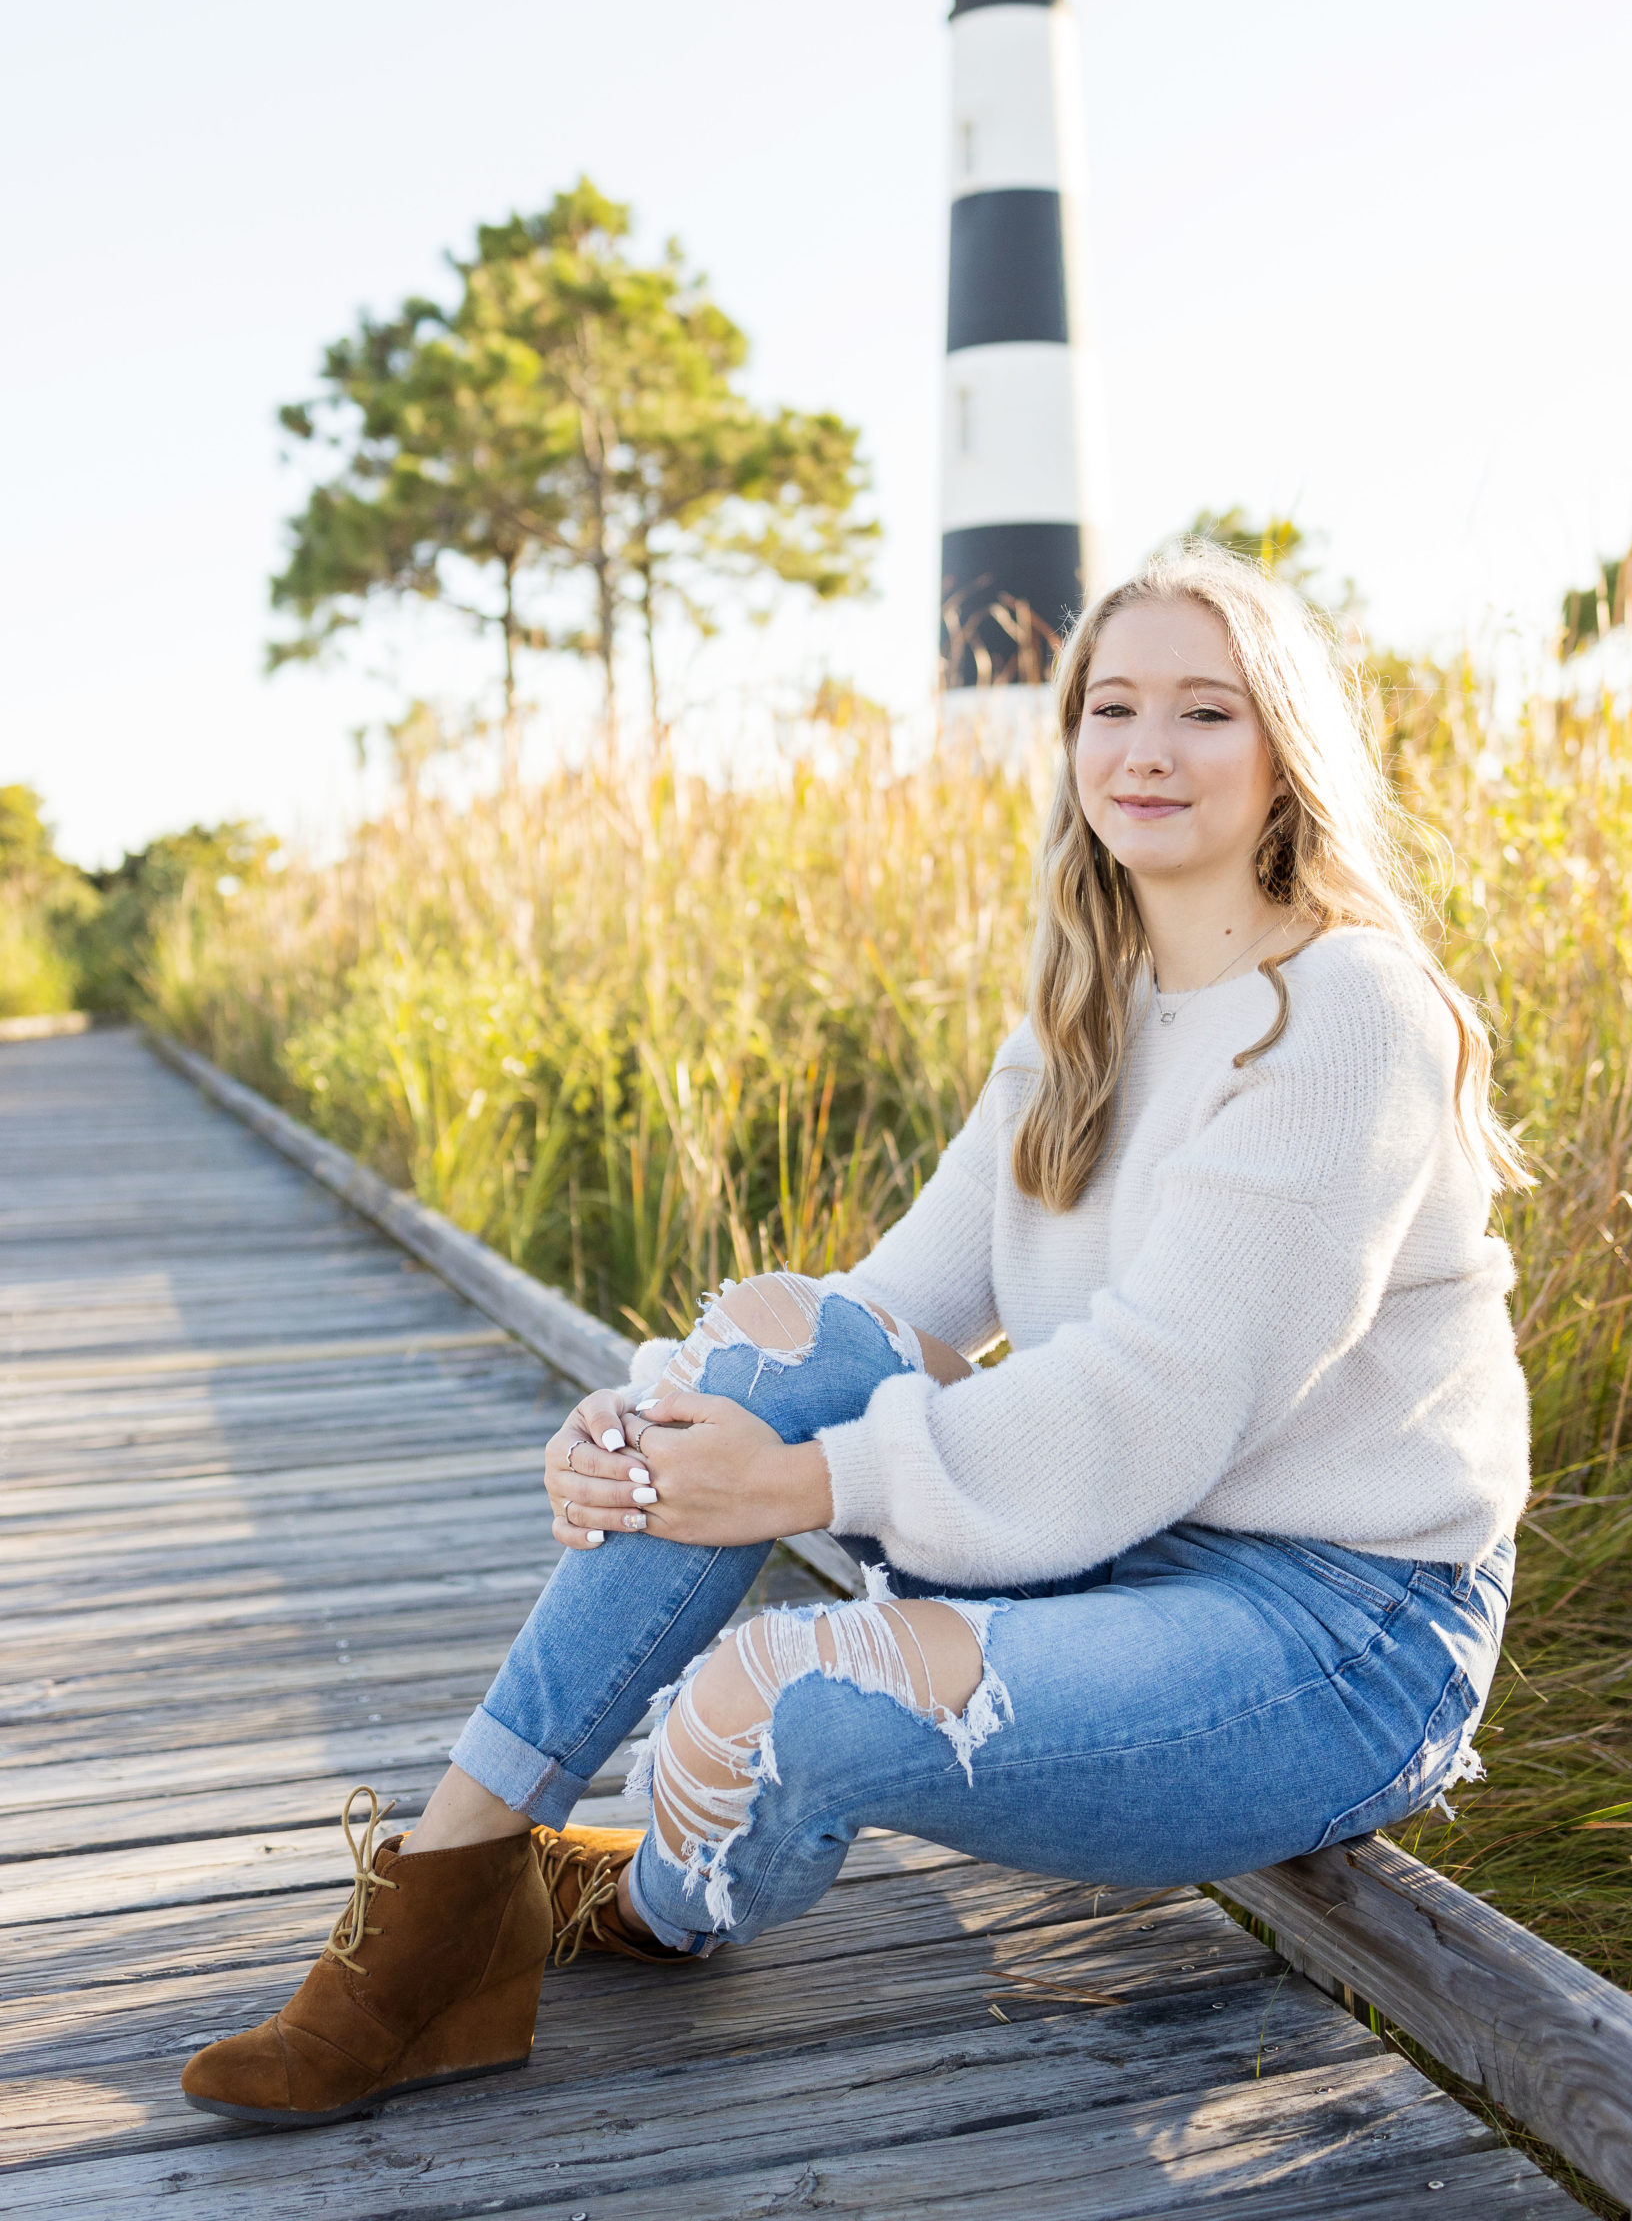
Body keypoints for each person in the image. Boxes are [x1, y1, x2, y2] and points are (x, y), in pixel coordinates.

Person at [183, 542, 1530, 2128]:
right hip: (1121, 1542)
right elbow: (890, 1310)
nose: (1147, 751)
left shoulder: (1351, 1011)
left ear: (1287, 751)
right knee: (766, 1349)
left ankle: (641, 1904)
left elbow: (1158, 1399)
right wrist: (647, 1424)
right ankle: (449, 1893)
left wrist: (796, 1489)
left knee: (778, 1694)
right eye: (1112, 707)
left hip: (1335, 1633)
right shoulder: (1088, 1005)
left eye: (1206, 712)